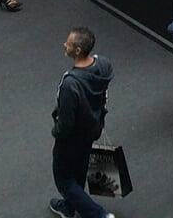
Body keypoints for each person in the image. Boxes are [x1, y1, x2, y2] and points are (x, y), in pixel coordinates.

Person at [49, 27, 115, 218]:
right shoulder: (103, 65)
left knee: (64, 180)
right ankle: (69, 208)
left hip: (71, 139)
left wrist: (56, 132)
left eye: (68, 43)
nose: (64, 44)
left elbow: (66, 123)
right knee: (79, 170)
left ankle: (100, 214)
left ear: (77, 50)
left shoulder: (71, 84)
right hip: (92, 129)